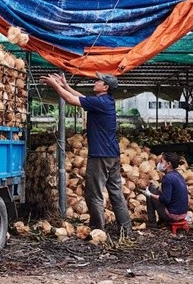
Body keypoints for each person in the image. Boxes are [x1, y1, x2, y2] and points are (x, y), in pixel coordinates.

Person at [41, 71, 133, 236]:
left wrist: (54, 85)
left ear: (105, 87)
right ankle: (126, 229)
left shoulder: (101, 102)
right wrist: (65, 85)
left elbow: (70, 100)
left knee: (94, 193)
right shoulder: (105, 101)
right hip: (112, 155)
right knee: (116, 193)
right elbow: (82, 98)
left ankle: (98, 231)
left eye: (99, 81)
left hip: (100, 156)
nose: (96, 82)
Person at [143, 152, 189, 228]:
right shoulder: (178, 174)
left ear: (168, 164)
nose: (159, 164)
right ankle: (161, 221)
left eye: (161, 161)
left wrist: (150, 194)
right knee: (156, 190)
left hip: (172, 216)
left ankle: (152, 223)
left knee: (151, 190)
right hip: (183, 214)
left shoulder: (167, 178)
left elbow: (165, 200)